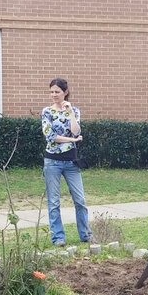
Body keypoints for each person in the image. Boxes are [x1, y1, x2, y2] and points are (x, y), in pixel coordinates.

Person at [41, 78, 90, 247]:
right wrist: (73, 139)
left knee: (80, 200)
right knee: (54, 202)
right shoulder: (47, 111)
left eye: (57, 92)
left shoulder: (74, 110)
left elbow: (77, 130)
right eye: (51, 92)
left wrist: (69, 113)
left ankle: (85, 235)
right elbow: (50, 137)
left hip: (71, 162)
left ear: (65, 92)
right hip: (52, 162)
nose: (54, 95)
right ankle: (58, 238)